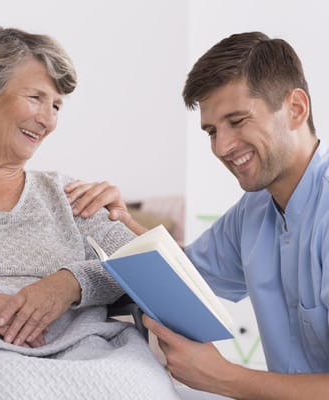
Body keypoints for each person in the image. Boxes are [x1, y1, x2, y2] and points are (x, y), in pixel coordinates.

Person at [65, 32, 329, 399]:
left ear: (296, 109)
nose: (221, 147)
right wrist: (123, 219)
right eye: (212, 131)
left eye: (237, 121)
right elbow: (183, 273)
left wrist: (226, 378)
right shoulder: (253, 212)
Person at [0, 26, 181, 400]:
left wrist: (71, 283)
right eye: (36, 98)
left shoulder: (68, 194)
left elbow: (150, 271)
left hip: (81, 350)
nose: (48, 120)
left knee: (140, 388)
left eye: (57, 106)